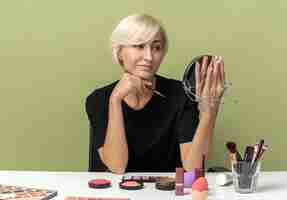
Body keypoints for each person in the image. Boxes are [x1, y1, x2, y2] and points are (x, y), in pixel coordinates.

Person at [85, 14, 225, 174]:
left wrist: (209, 113)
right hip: (118, 193)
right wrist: (115, 100)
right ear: (119, 52)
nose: (149, 57)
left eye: (156, 47)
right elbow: (117, 167)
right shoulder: (98, 100)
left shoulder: (180, 95)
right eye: (139, 46)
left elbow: (192, 169)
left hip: (167, 193)